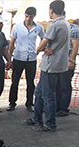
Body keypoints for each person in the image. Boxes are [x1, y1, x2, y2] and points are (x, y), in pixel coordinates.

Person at [23, 0, 70, 132]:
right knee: (39, 93)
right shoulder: (65, 23)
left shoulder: (55, 25)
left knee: (48, 95)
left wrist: (37, 50)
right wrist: (46, 48)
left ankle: (50, 123)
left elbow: (45, 41)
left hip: (51, 65)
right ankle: (37, 118)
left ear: (51, 10)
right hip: (57, 64)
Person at [7, 7, 45, 112]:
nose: (28, 18)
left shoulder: (39, 27)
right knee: (15, 82)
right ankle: (12, 103)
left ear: (34, 16)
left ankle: (29, 103)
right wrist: (9, 59)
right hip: (18, 58)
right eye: (26, 16)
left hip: (31, 59)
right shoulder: (17, 27)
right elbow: (12, 43)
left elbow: (44, 39)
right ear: (24, 15)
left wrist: (39, 50)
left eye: (30, 17)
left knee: (30, 82)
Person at [56, 15, 79, 117]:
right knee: (57, 85)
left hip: (66, 60)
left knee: (64, 85)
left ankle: (63, 108)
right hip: (57, 61)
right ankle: (57, 107)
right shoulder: (56, 26)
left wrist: (71, 60)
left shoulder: (73, 28)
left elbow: (75, 46)